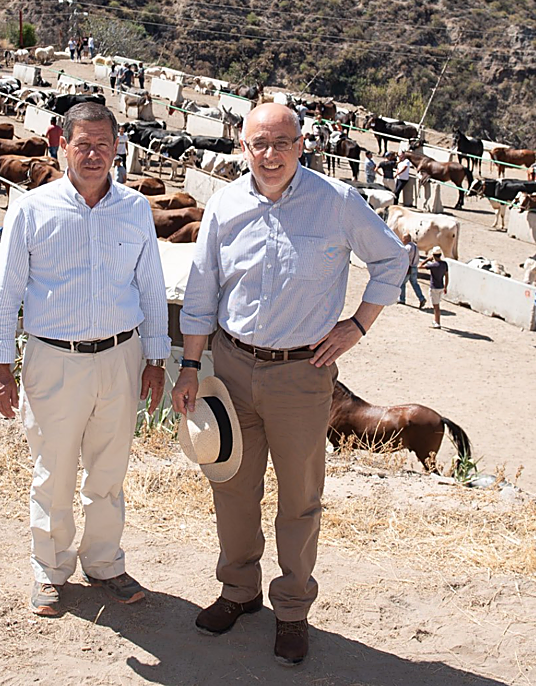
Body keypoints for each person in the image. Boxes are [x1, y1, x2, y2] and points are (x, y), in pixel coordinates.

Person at [172, 103, 408, 667]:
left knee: (300, 499)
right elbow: (203, 288)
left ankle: (294, 609)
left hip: (304, 375)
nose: (270, 154)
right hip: (230, 366)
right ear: (243, 147)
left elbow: (392, 261)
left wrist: (356, 326)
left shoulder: (337, 202)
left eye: (282, 142)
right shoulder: (226, 203)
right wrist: (190, 364)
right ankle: (239, 591)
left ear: (302, 145)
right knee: (231, 485)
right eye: (259, 144)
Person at [0, 101, 170, 618]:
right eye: (82, 144)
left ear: (118, 149)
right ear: (61, 145)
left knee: (109, 470)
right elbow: (6, 291)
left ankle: (105, 563)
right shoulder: (32, 208)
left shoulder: (134, 209)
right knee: (54, 470)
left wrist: (156, 359)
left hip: (120, 358)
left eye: (103, 146)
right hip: (54, 359)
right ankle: (50, 568)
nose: (93, 155)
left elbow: (151, 289)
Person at [420, 246, 448, 329]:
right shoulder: (444, 264)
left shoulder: (433, 265)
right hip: (441, 286)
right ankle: (436, 320)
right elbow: (447, 276)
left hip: (434, 287)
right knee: (437, 304)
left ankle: (437, 322)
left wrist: (427, 260)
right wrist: (446, 286)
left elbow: (420, 266)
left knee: (436, 306)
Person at [398, 232, 426, 308]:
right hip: (414, 267)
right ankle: (421, 298)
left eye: (403, 238)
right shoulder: (416, 247)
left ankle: (402, 299)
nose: (402, 240)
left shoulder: (407, 248)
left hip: (408, 268)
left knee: (402, 283)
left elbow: (404, 258)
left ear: (406, 239)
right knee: (415, 283)